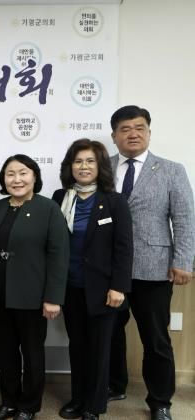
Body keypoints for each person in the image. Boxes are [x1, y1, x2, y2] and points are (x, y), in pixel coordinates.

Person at [107, 106, 195, 420]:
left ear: (148, 132)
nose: (133, 134)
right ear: (114, 135)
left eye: (139, 128)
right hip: (110, 268)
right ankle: (114, 385)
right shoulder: (103, 167)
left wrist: (183, 261)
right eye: (125, 129)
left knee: (156, 338)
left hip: (154, 267)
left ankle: (160, 401)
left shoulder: (171, 170)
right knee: (110, 332)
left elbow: (184, 218)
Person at [0, 154, 69, 420]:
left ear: (34, 177)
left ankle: (29, 406)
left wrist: (53, 297)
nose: (16, 179)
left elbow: (59, 254)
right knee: (5, 352)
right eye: (10, 174)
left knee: (32, 354)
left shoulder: (48, 209)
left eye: (23, 173)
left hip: (32, 297)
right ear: (3, 180)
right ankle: (9, 401)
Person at [52, 139, 133, 420]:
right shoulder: (60, 198)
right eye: (78, 161)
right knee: (77, 346)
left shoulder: (114, 201)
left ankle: (94, 406)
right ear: (70, 166)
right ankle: (78, 398)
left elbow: (124, 248)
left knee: (99, 350)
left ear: (100, 166)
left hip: (103, 289)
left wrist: (119, 287)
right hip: (70, 286)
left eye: (90, 161)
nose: (83, 167)